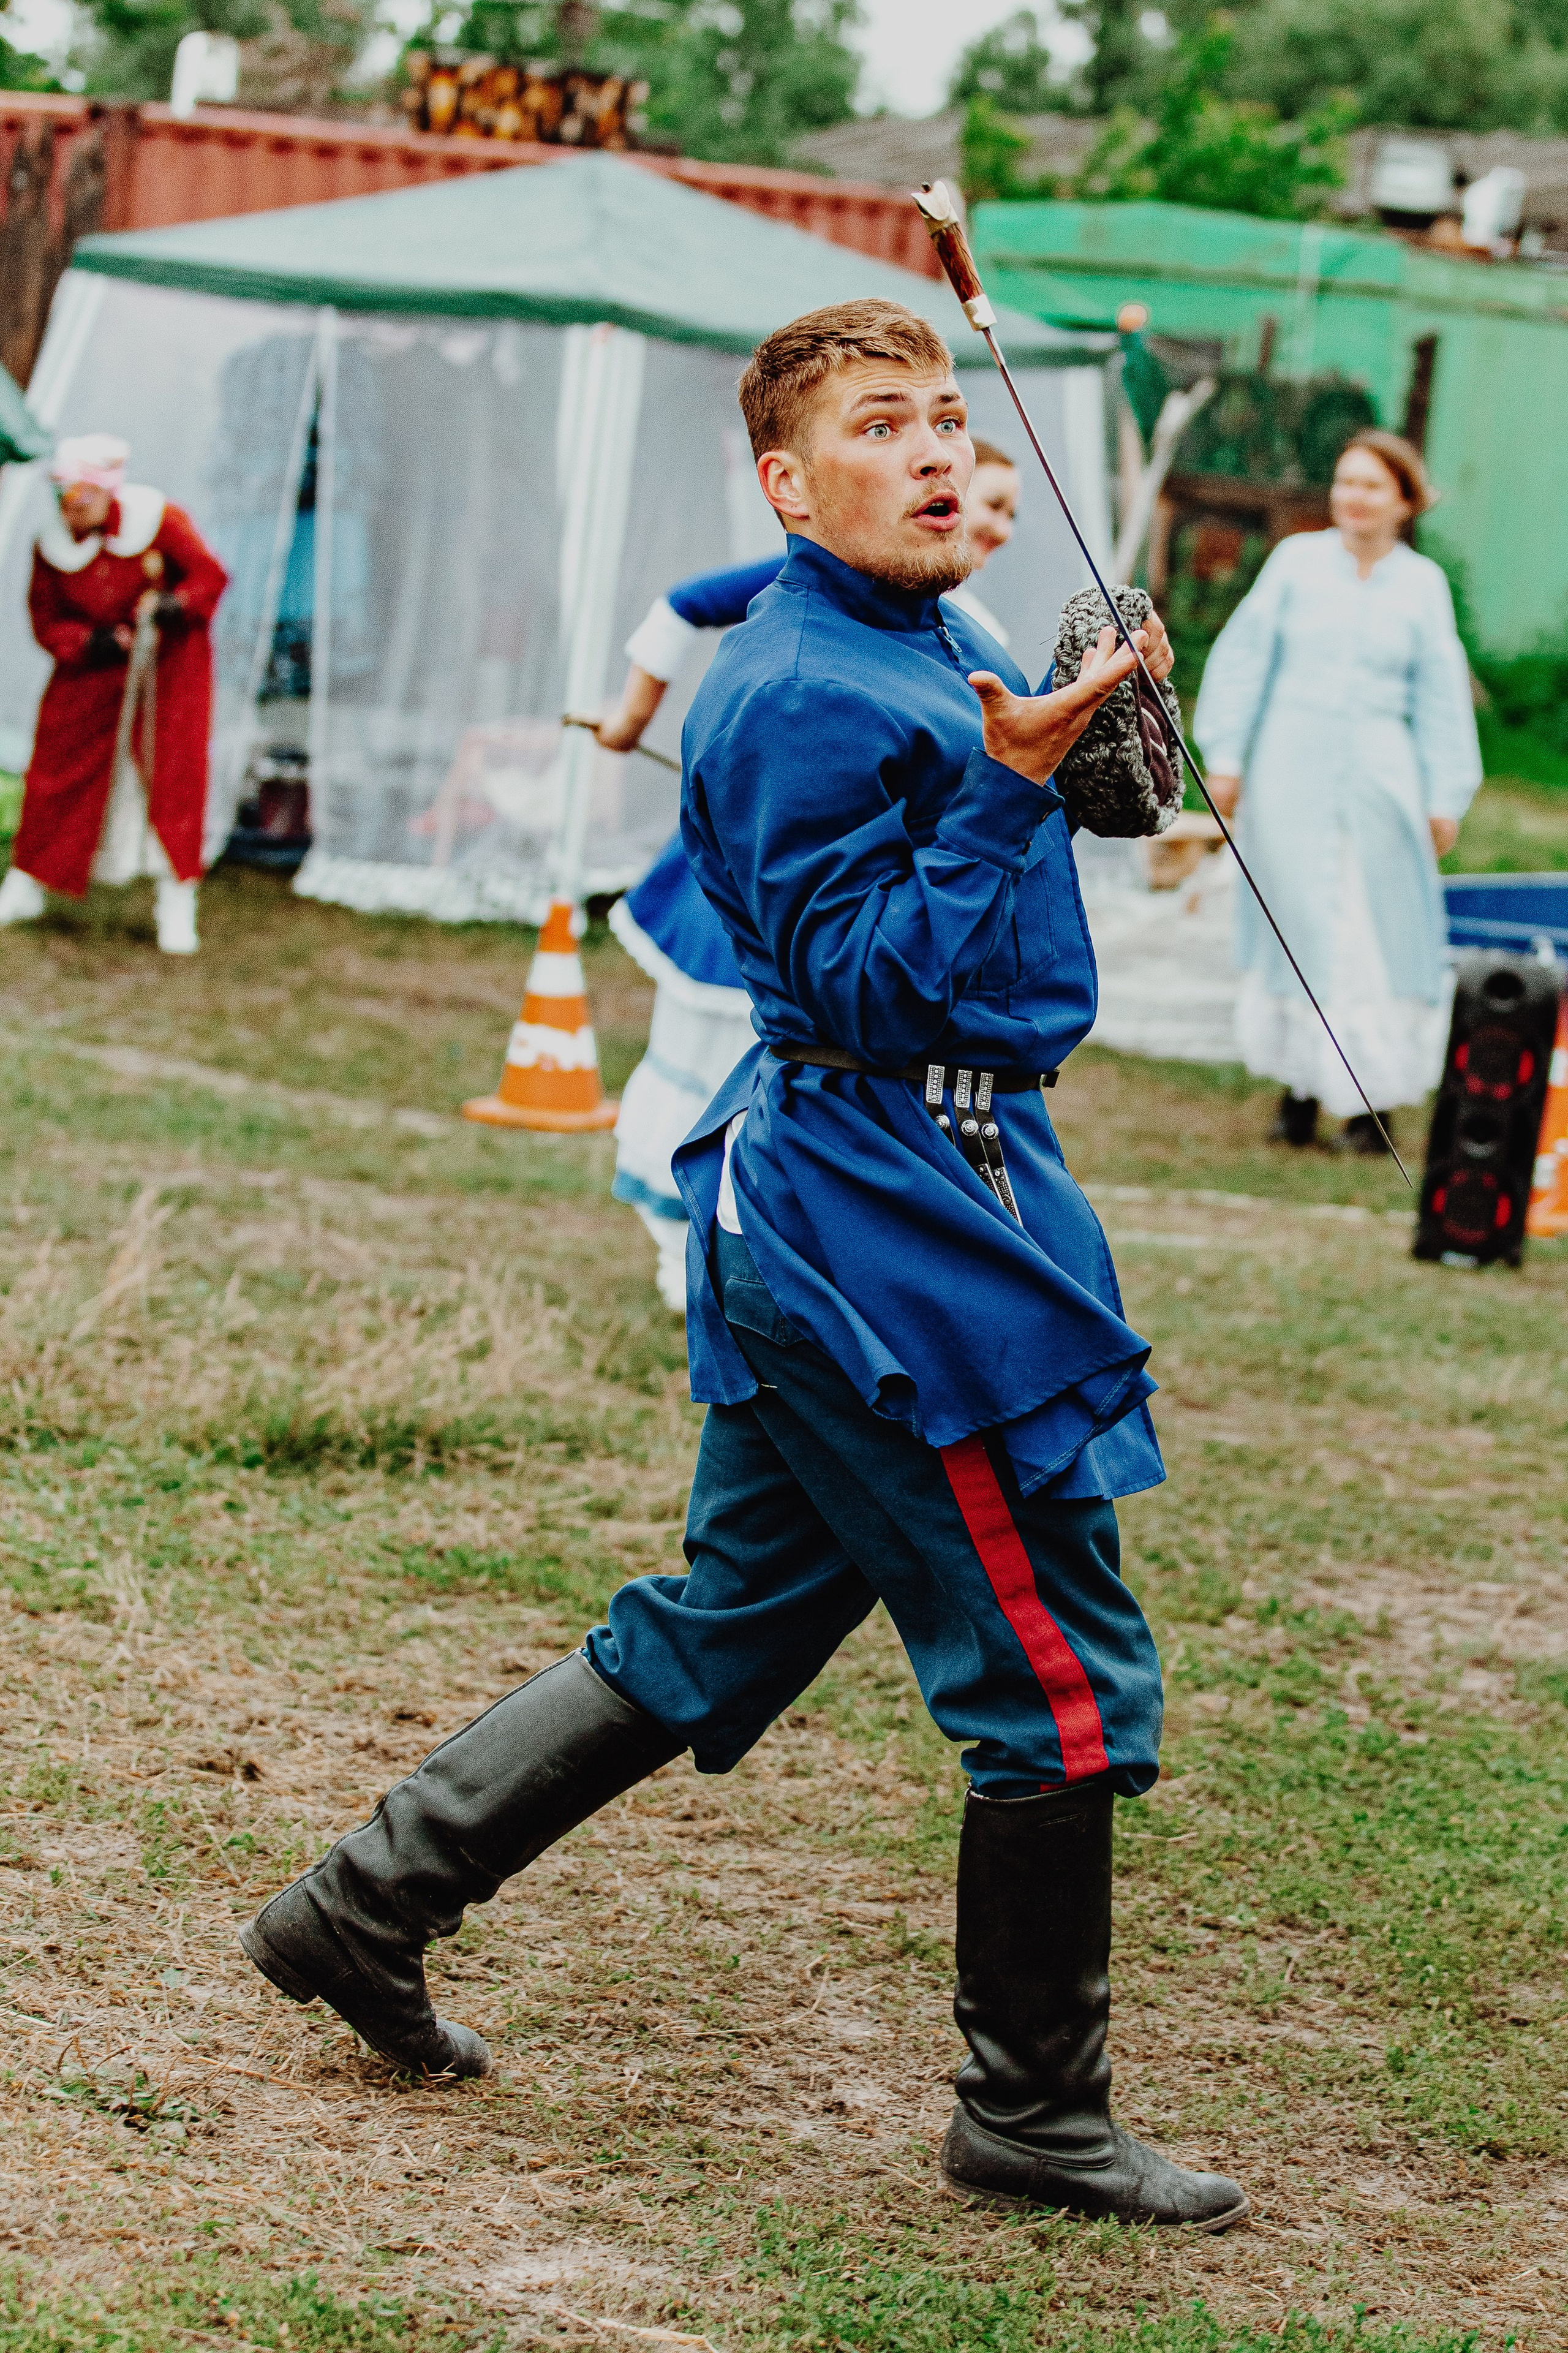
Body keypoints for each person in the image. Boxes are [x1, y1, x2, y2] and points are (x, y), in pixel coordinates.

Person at [239, 301, 1246, 2233]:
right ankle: (1029, 2115)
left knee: (726, 1619)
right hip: (890, 1211)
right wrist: (1020, 780)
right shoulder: (789, 686)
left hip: (930, 1173)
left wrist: (1086, 758)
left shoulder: (924, 633)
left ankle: (361, 1902)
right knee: (1055, 1676)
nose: (950, 451)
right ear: (787, 485)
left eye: (956, 419)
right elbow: (860, 985)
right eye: (889, 427)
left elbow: (996, 853)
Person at [601, 442, 1023, 1311]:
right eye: (992, 501)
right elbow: (687, 605)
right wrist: (630, 717)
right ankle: (691, 1241)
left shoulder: (972, 629)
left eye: (1008, 511)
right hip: (775, 888)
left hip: (882, 910)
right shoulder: (828, 589)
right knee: (719, 1050)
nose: (994, 522)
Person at [1195, 429, 1482, 1152]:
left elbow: (1442, 696)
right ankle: (1297, 1090)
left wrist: (1444, 793)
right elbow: (1243, 659)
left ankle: (1368, 1105)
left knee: (1368, 929)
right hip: (1290, 771)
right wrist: (1226, 756)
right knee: (1296, 921)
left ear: (1404, 501)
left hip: (1382, 782)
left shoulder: (1421, 585)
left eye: (1371, 486)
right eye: (1345, 482)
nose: (1353, 498)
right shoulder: (1296, 565)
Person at [0, 434, 228, 956]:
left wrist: (175, 605)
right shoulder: (51, 545)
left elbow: (208, 577)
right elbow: (47, 619)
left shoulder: (160, 521)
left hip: (163, 676)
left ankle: (176, 899)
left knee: (171, 778)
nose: (71, 509)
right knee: (56, 771)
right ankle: (28, 881)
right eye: (63, 498)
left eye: (80, 497)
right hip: (90, 677)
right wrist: (89, 642)